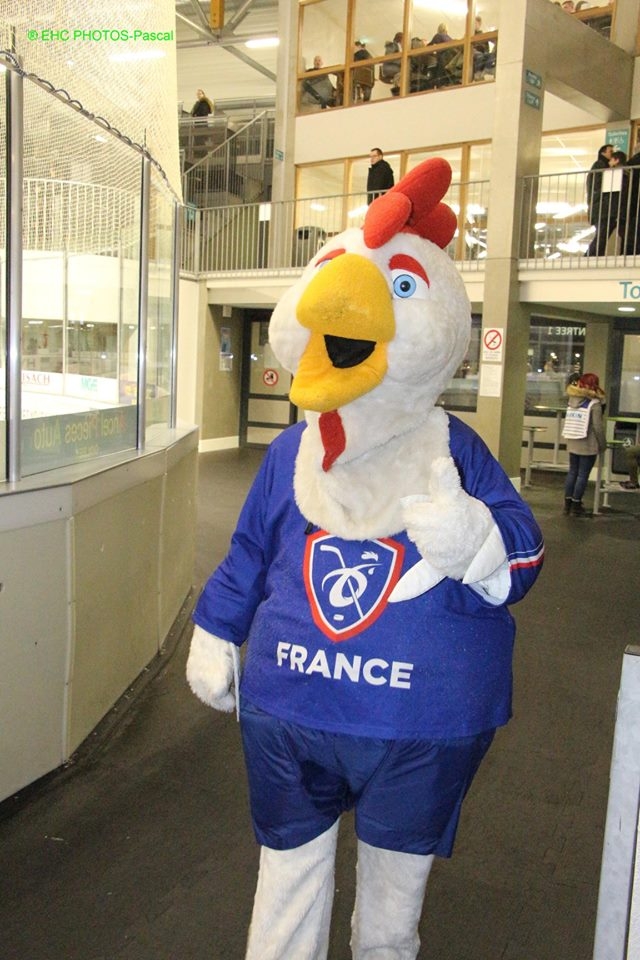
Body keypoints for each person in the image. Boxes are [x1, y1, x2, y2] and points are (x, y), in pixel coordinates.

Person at [562, 372, 606, 516]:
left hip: (573, 441)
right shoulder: (594, 403)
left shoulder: (572, 400)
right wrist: (602, 444)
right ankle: (576, 505)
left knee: (572, 472)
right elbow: (598, 427)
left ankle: (567, 505)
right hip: (588, 444)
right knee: (582, 475)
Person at [585, 143, 614, 257]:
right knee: (602, 234)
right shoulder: (600, 165)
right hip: (600, 207)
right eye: (610, 152)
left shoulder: (599, 165)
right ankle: (591, 256)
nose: (612, 155)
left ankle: (594, 255)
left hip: (598, 207)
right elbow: (599, 184)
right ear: (603, 153)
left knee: (602, 234)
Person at [622, 139, 640, 255]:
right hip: (635, 198)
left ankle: (628, 251)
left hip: (630, 200)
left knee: (631, 228)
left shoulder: (629, 164)